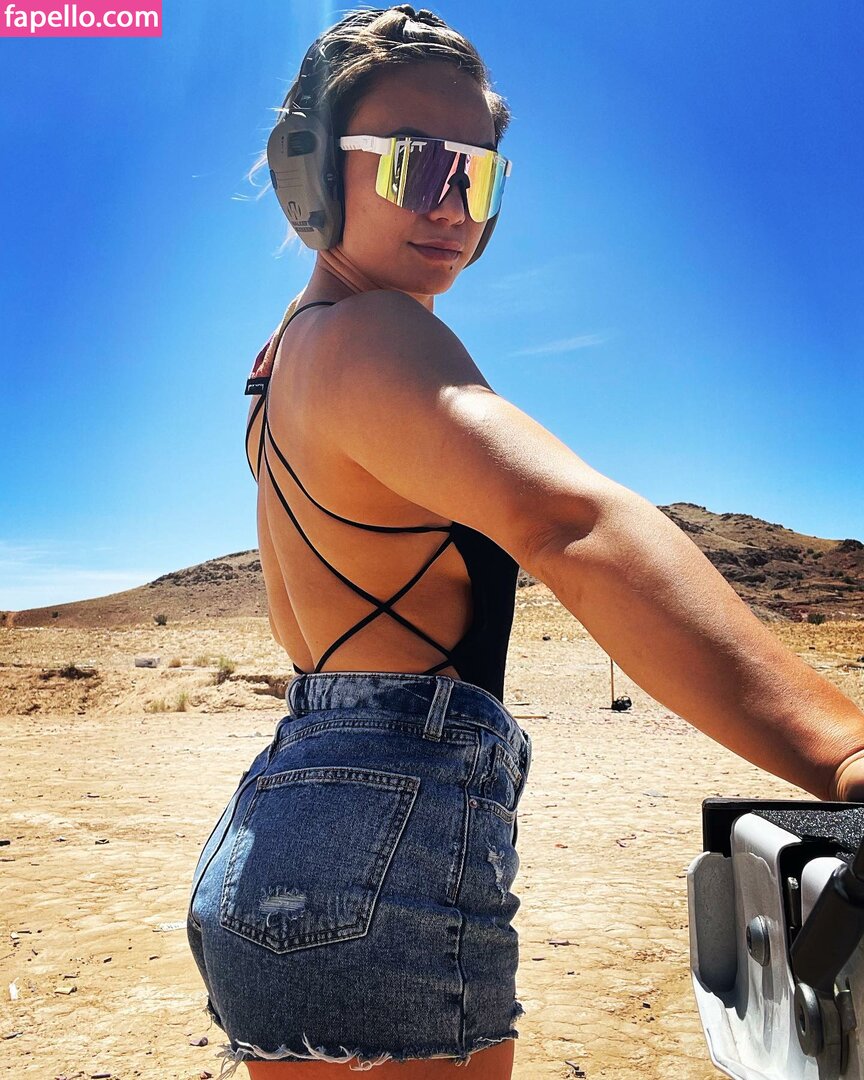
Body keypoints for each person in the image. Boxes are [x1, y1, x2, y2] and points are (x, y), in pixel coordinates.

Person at [185, 6, 864, 1078]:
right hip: (382, 850)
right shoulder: (375, 334)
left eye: (479, 175)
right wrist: (842, 751)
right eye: (413, 163)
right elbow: (569, 523)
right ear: (309, 172)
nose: (452, 204)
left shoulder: (281, 367)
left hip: (280, 828)